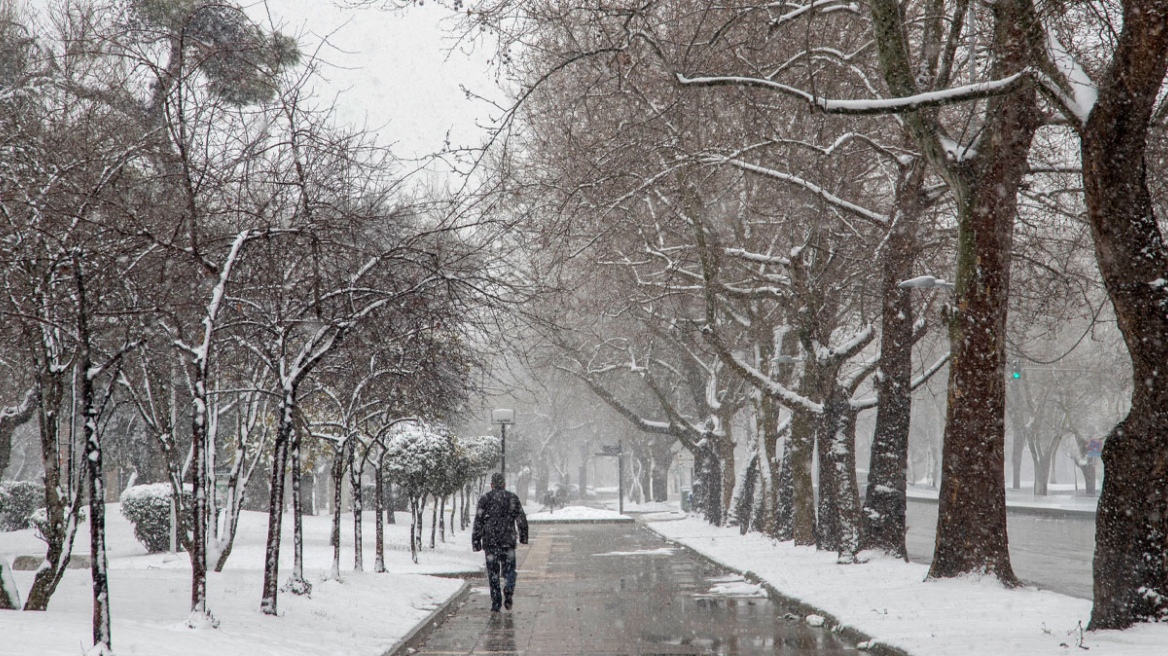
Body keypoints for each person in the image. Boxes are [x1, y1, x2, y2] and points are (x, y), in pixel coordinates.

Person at [472, 472, 529, 612]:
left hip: (490, 542)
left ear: (491, 485)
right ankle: (508, 588)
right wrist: (523, 536)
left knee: (493, 573)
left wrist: (476, 541)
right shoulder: (511, 498)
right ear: (504, 484)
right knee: (510, 570)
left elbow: (478, 521)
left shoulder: (485, 499)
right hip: (507, 541)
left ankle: (496, 602)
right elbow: (521, 518)